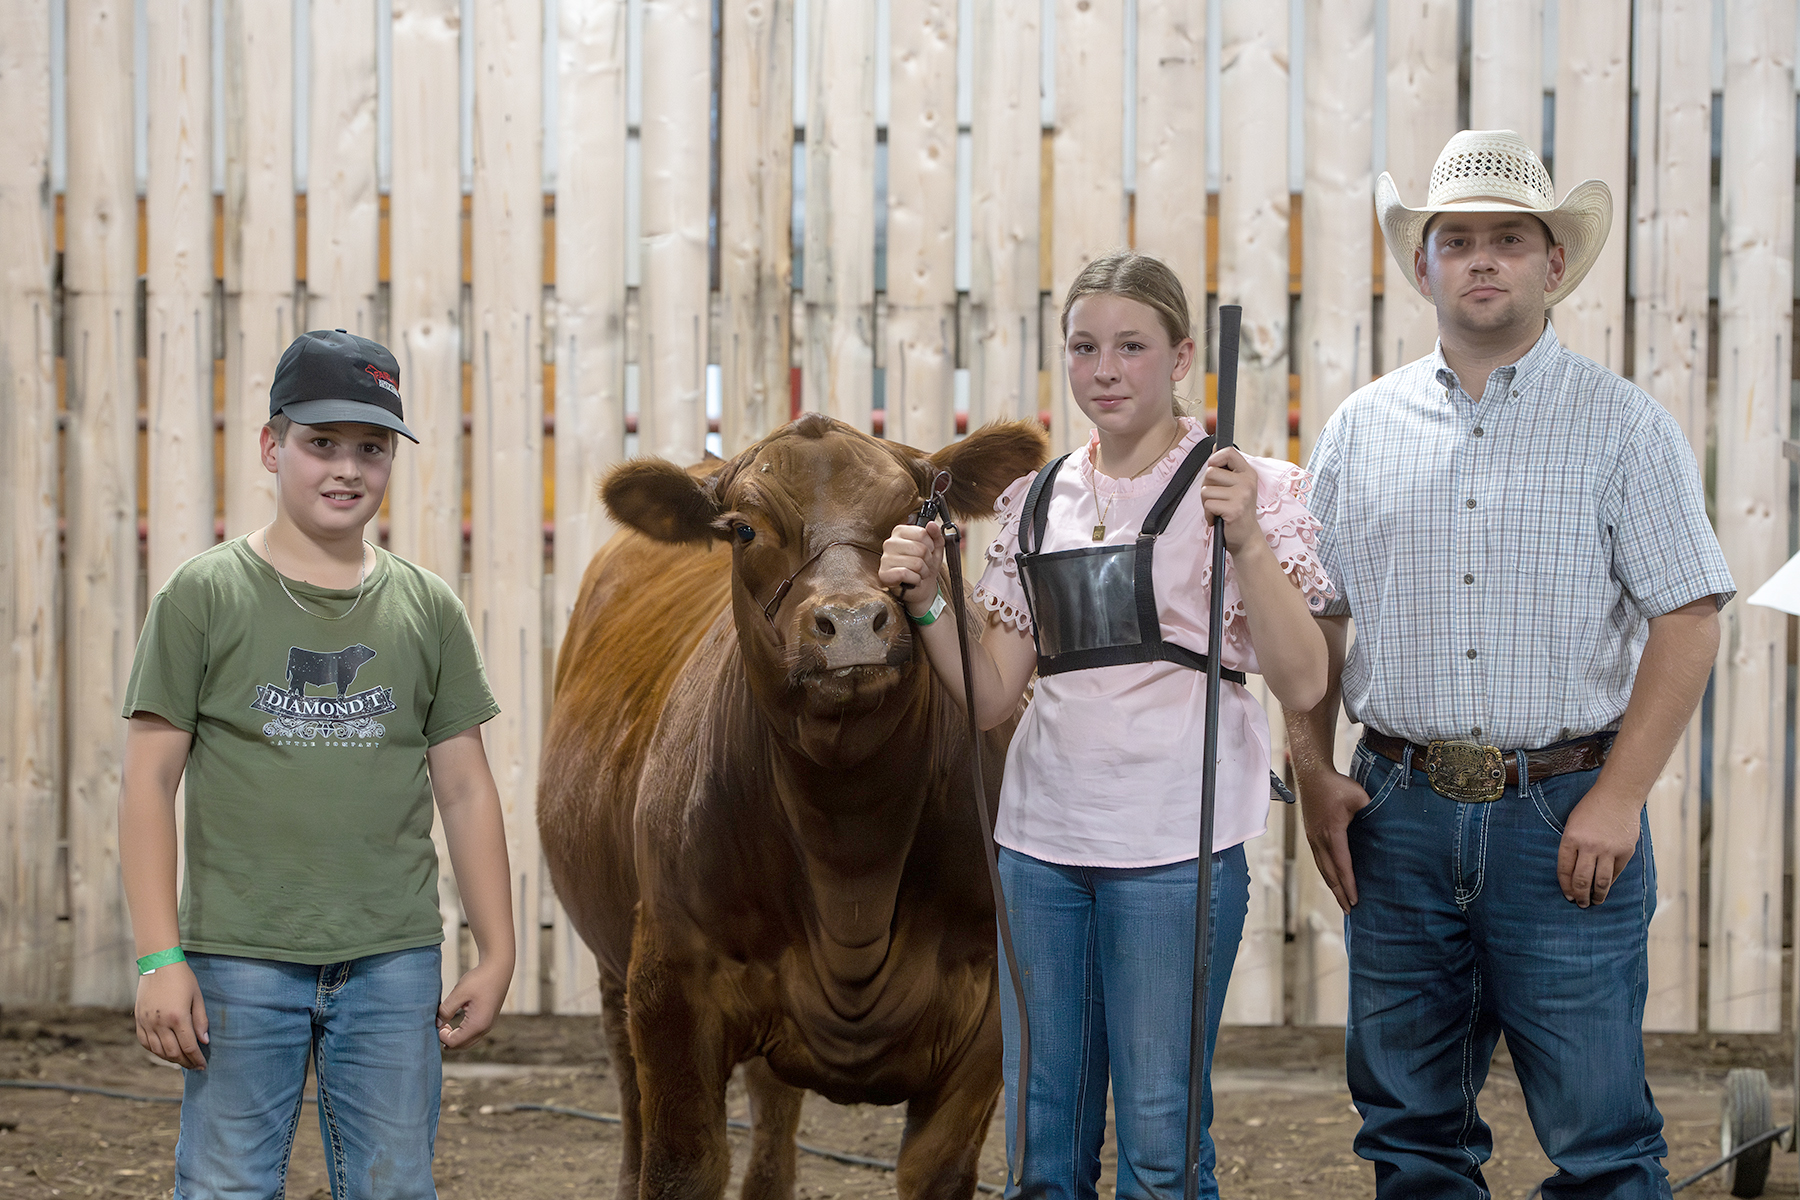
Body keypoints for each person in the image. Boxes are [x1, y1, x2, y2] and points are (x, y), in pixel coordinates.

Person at [1285, 129, 1734, 1198]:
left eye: (1510, 239)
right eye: (1459, 239)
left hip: (1564, 813)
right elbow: (1316, 621)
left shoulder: (1624, 429)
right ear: (1425, 264)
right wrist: (1312, 771)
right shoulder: (1358, 430)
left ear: (1554, 265)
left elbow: (1690, 618)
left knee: (1600, 1137)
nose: (1483, 258)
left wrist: (1620, 797)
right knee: (1410, 1132)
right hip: (1394, 811)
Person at [880, 251, 1333, 1200]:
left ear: (1179, 357)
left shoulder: (1244, 490)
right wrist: (927, 602)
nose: (1106, 369)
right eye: (1085, 348)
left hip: (1177, 848)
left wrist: (1246, 538)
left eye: (1131, 346)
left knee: (1161, 1145)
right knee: (1044, 1140)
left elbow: (1301, 676)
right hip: (1042, 847)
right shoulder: (1038, 501)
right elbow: (995, 693)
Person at [118, 329, 517, 1198]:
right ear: (272, 445)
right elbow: (149, 780)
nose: (346, 468)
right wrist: (160, 958)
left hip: (392, 959)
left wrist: (497, 949)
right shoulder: (205, 595)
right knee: (226, 1183)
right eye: (320, 443)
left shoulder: (425, 608)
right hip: (237, 958)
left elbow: (465, 786)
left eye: (371, 448)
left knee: (393, 1185)